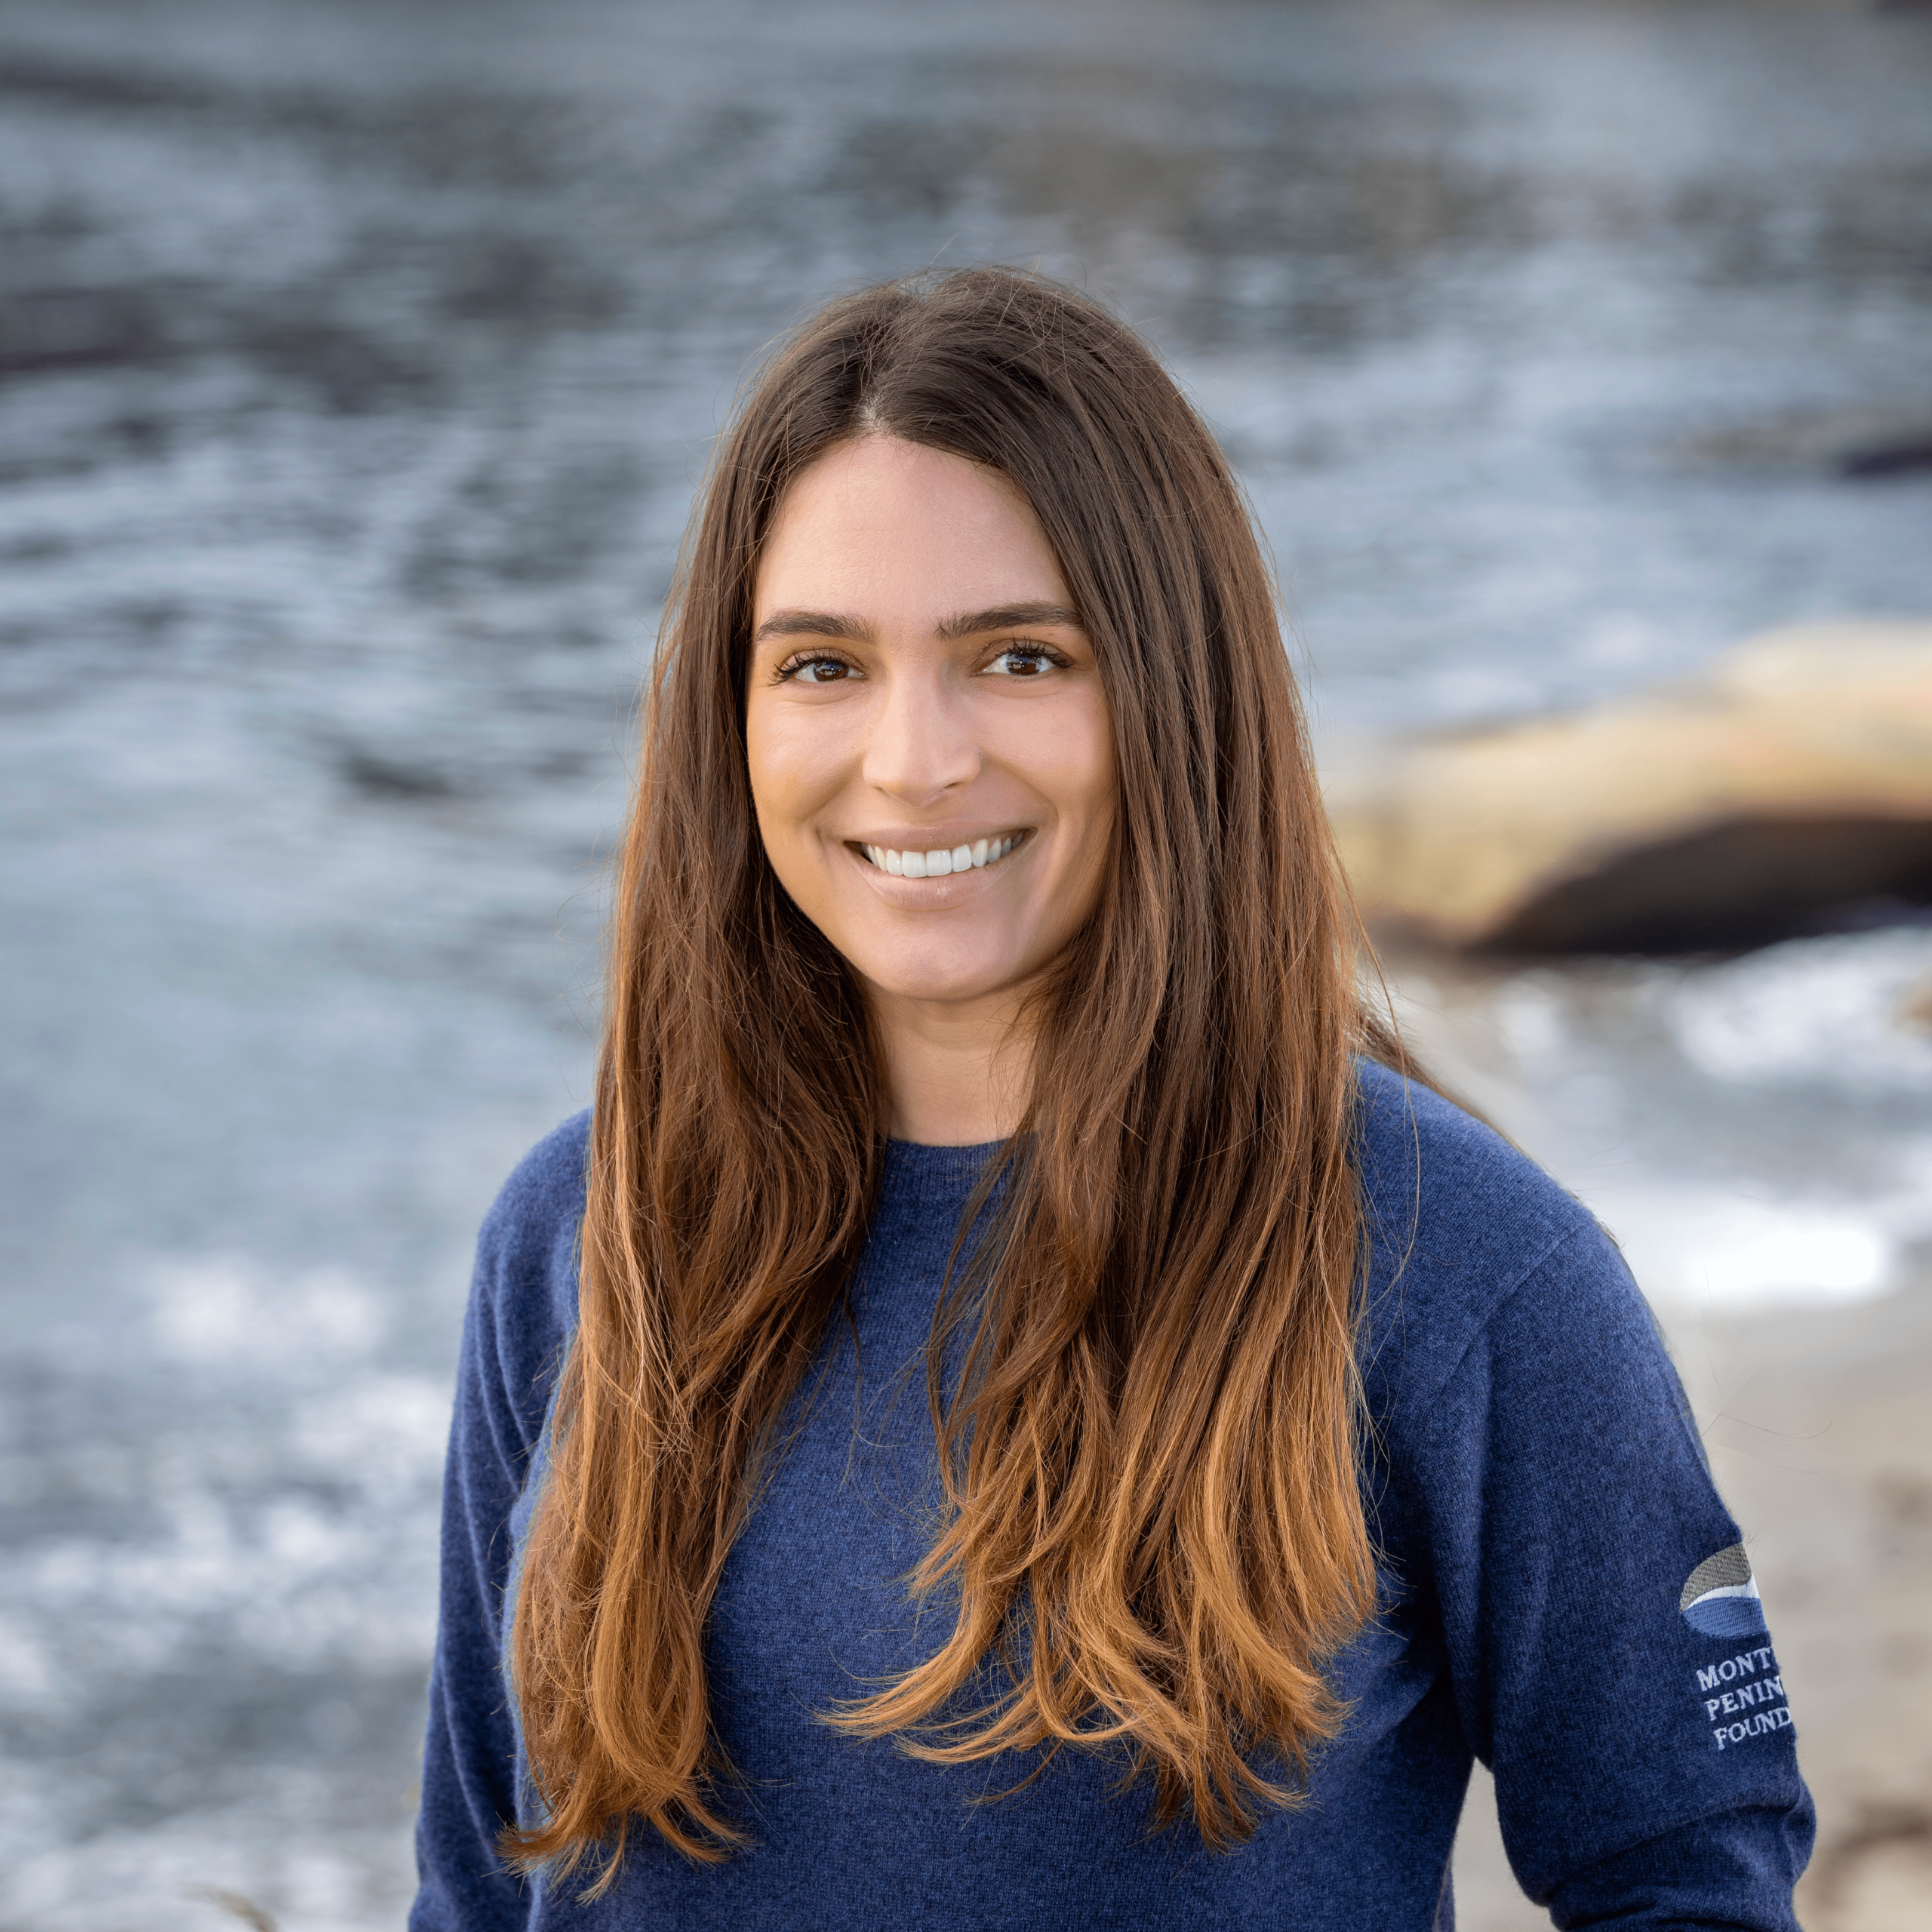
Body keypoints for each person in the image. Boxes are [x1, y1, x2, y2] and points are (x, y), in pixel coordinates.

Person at [410, 269, 1811, 1930]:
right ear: (729, 714)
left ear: (1172, 687)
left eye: (1019, 656)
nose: (913, 760)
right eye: (822, 664)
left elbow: (1688, 1881)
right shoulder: (581, 1228)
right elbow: (473, 1890)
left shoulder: (1459, 1264)